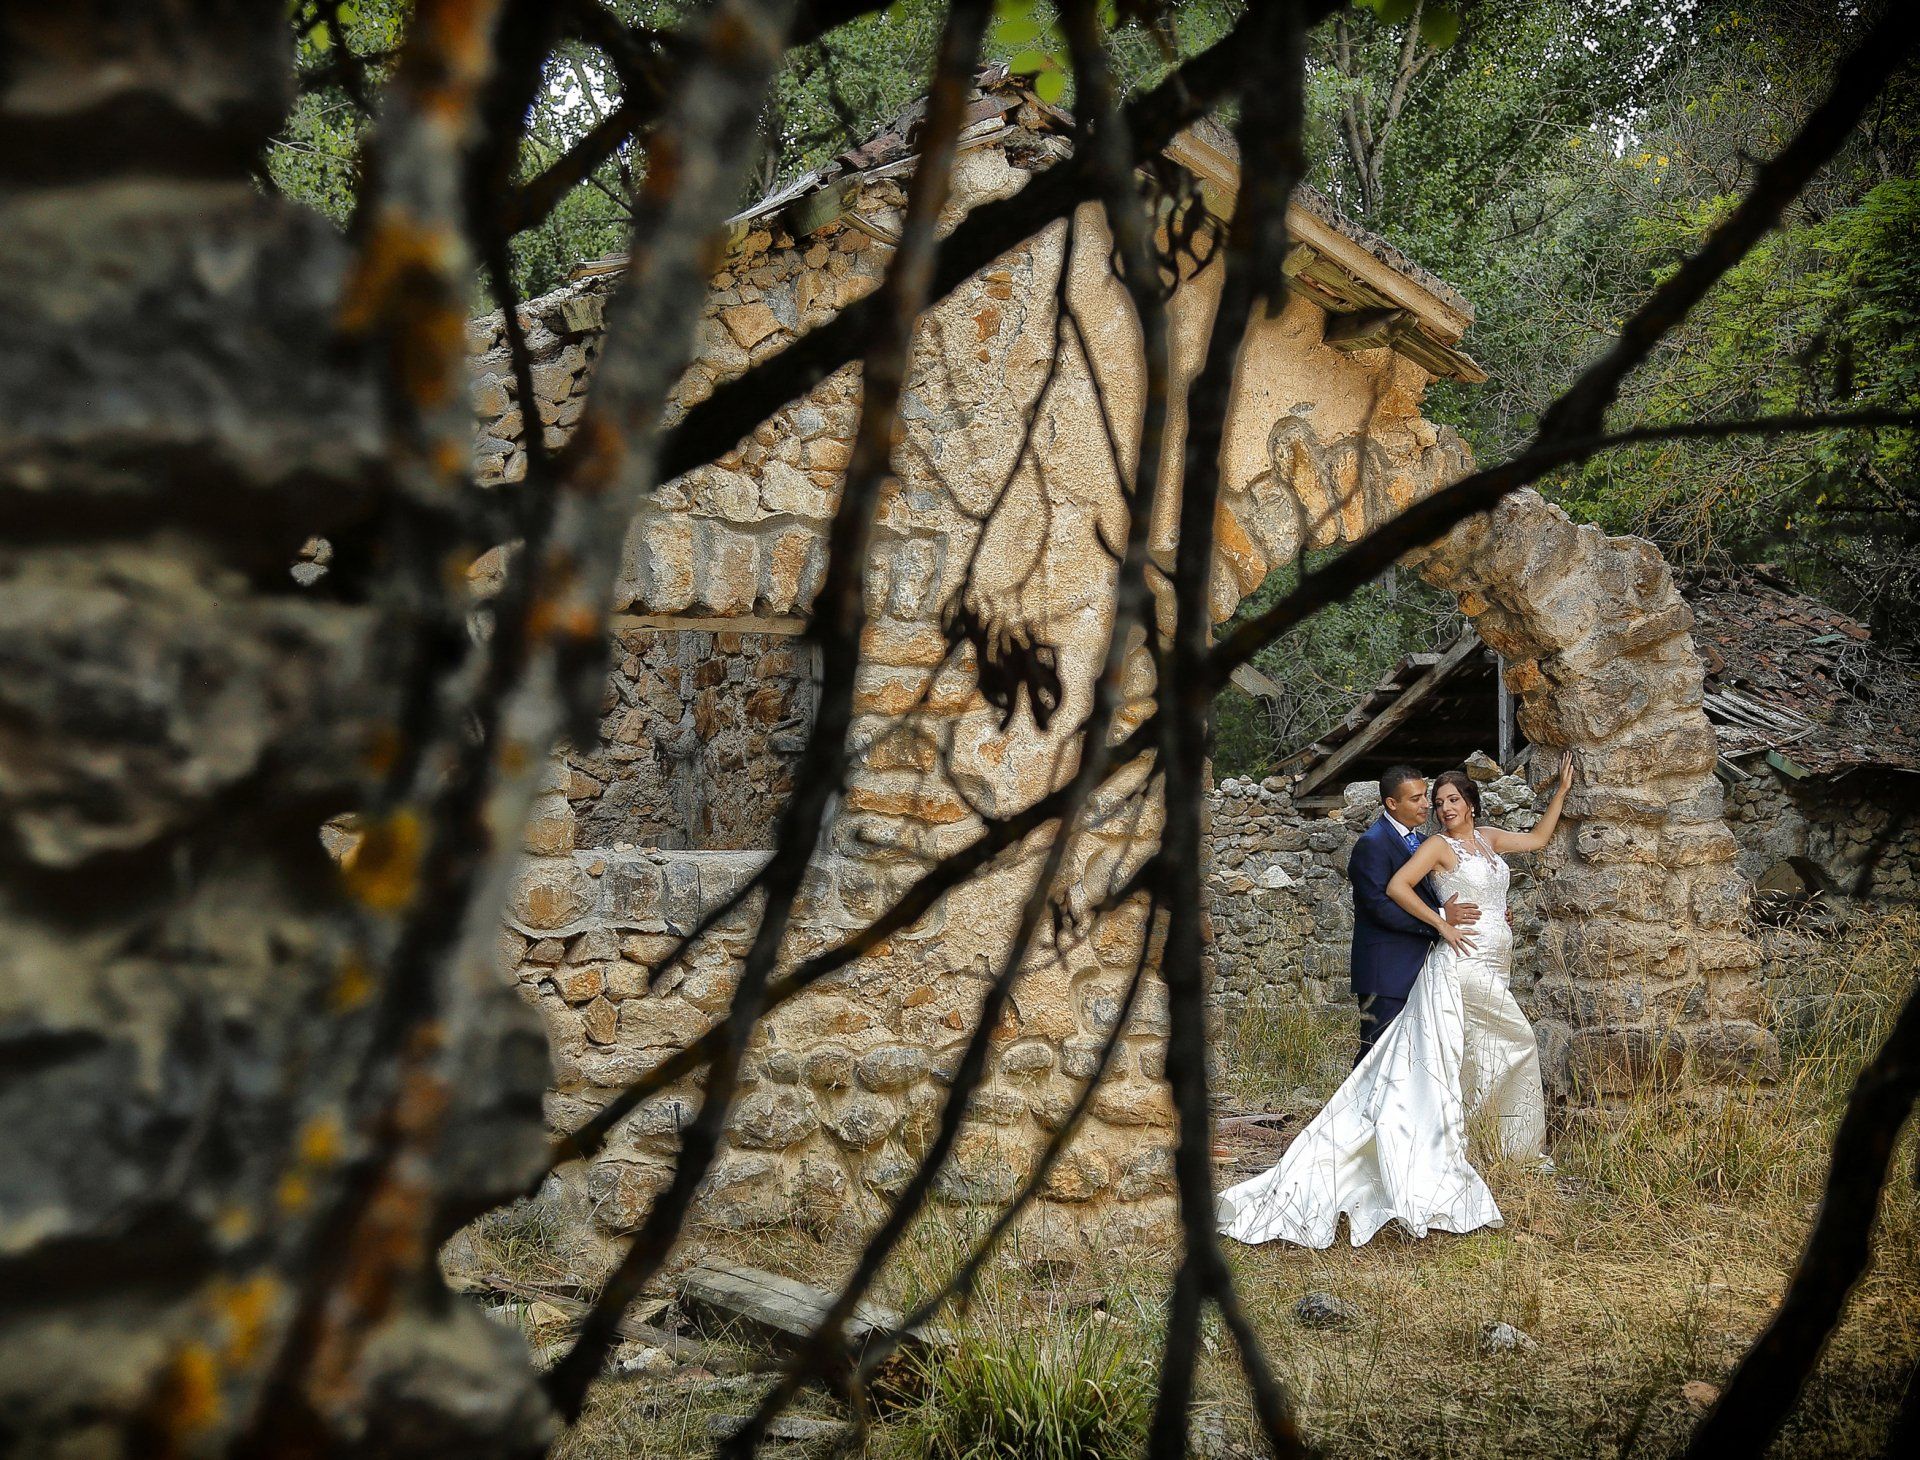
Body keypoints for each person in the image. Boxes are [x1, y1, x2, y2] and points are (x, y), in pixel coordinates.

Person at [1218, 752, 1575, 1249]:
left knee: (1476, 1053)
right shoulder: (1429, 845)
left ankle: (1485, 1144)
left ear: (1471, 803)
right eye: (1435, 801)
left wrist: (1561, 792)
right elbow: (1393, 890)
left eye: (1449, 800)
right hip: (1457, 961)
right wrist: (1442, 923)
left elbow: (1536, 839)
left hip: (1497, 960)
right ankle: (1453, 1144)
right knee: (1516, 1039)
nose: (1441, 807)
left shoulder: (1489, 839)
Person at [1346, 766, 1479, 1064]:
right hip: (1387, 972)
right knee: (1377, 1056)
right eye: (1416, 798)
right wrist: (1441, 918)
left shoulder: (1423, 841)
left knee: (1413, 1059)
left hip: (1425, 968)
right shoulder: (1372, 844)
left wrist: (1489, 912)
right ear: (1392, 803)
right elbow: (1379, 908)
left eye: (1425, 796)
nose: (1426, 804)